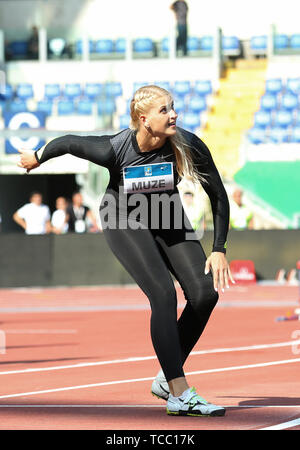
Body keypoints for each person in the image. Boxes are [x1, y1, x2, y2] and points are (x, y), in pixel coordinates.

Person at [17, 84, 234, 417]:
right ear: (144, 119)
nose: (174, 114)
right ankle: (179, 393)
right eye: (165, 110)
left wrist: (218, 248)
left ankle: (166, 377)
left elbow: (217, 194)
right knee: (163, 294)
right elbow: (68, 142)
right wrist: (38, 157)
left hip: (165, 212)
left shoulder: (187, 145)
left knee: (205, 293)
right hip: (123, 217)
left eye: (173, 107)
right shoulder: (114, 149)